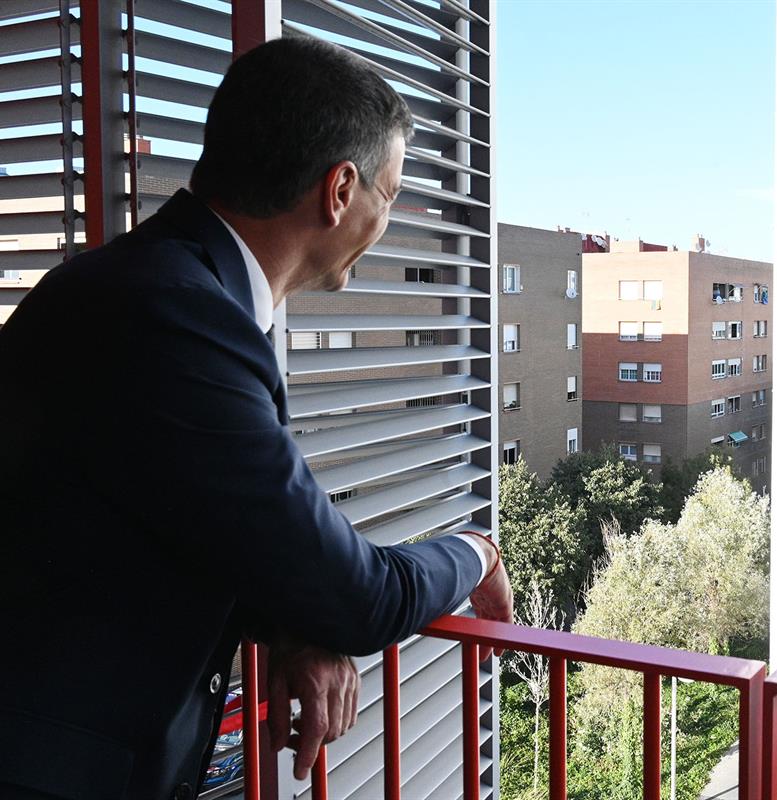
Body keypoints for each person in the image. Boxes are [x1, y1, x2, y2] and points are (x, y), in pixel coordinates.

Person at [0, 36, 511, 800]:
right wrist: (478, 549)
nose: (386, 219)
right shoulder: (177, 320)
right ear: (339, 191)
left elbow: (178, 510)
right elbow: (362, 596)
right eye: (392, 194)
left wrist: (292, 623)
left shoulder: (140, 283)